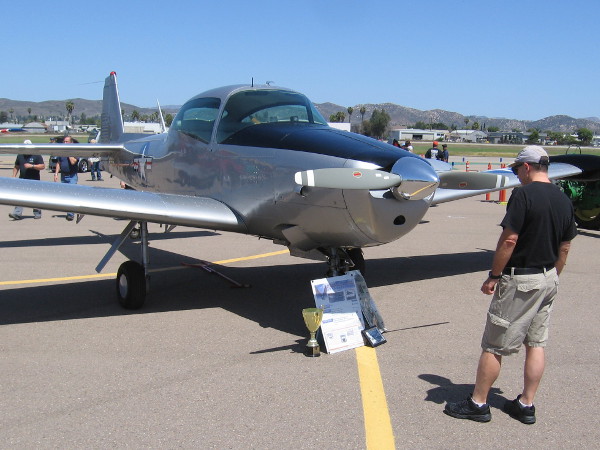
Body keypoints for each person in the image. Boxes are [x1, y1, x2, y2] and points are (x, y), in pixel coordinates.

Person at [444, 146, 577, 424]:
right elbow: (564, 247)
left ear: (527, 167)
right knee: (536, 343)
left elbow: (509, 240)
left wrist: (494, 276)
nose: (517, 174)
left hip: (522, 279)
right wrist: (553, 277)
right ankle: (526, 404)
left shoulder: (523, 195)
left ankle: (478, 403)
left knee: (494, 344)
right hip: (548, 277)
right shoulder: (563, 198)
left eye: (517, 169)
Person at [8, 140, 45, 220]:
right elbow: (16, 166)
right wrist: (13, 176)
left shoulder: (36, 155)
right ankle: (17, 213)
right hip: (22, 180)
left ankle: (37, 213)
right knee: (19, 197)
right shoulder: (20, 155)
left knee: (35, 197)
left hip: (34, 180)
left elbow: (42, 166)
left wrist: (32, 166)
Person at [53, 136, 79, 221]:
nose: (65, 143)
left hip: (72, 176)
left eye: (67, 142)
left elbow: (73, 162)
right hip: (63, 175)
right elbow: (59, 163)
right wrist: (56, 174)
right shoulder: (61, 152)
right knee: (65, 195)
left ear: (71, 143)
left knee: (71, 194)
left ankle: (70, 214)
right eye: (64, 142)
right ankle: (69, 211)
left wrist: (68, 153)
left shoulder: (75, 152)